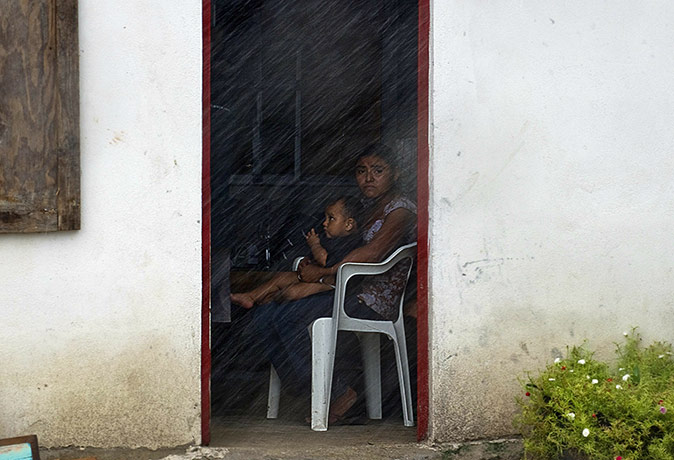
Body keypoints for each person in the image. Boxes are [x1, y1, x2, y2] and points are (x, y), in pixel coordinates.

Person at [249, 143, 417, 424]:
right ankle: (310, 388)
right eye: (362, 171)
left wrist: (327, 272)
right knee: (266, 312)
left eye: (378, 171)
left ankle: (340, 393)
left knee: (289, 316)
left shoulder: (400, 209)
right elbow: (334, 243)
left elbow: (374, 253)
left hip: (370, 298)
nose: (368, 178)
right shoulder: (362, 207)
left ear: (396, 174)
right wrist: (315, 265)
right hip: (344, 287)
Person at [230, 196, 363, 309]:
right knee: (281, 278)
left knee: (292, 291)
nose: (324, 223)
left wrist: (315, 245)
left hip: (334, 287)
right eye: (325, 218)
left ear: (348, 224)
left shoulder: (350, 242)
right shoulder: (331, 238)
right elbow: (319, 261)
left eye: (331, 218)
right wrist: (307, 261)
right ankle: (251, 296)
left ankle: (271, 298)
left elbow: (324, 260)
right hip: (320, 279)